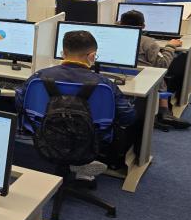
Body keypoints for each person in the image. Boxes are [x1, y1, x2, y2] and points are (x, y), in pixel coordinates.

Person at [15, 30, 137, 178]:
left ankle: (65, 166)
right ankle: (81, 165)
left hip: (45, 132)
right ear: (92, 56)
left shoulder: (39, 76)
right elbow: (127, 117)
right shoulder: (104, 83)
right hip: (89, 137)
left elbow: (19, 102)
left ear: (63, 53)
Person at [119, 10, 190, 129]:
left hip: (116, 75)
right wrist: (170, 47)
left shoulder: (112, 37)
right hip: (142, 78)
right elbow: (162, 65)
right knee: (158, 74)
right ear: (143, 26)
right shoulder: (148, 42)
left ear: (120, 24)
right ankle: (164, 112)